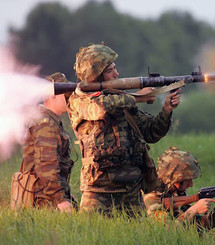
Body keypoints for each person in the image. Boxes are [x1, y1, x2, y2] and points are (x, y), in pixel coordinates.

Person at [67, 43, 181, 214]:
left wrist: (166, 110)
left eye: (115, 68)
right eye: (110, 70)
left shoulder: (120, 99)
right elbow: (100, 108)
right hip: (98, 193)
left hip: (131, 192)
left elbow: (151, 132)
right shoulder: (79, 100)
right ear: (95, 76)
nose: (117, 74)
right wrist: (136, 97)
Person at [143, 146, 215, 232]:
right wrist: (194, 209)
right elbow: (168, 231)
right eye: (188, 180)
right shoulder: (151, 198)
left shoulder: (173, 194)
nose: (191, 184)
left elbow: (203, 225)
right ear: (175, 179)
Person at [19, 72, 77, 213]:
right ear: (53, 96)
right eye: (67, 95)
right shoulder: (46, 124)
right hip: (44, 202)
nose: (71, 99)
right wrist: (61, 201)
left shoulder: (50, 121)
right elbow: (46, 166)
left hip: (46, 197)